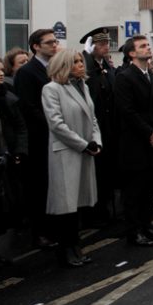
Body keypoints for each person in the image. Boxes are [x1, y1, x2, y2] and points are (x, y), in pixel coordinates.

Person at [40, 49, 101, 267]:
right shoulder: (52, 89)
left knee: (77, 204)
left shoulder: (82, 85)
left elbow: (92, 118)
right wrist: (83, 144)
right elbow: (56, 124)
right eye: (75, 62)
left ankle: (75, 247)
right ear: (64, 65)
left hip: (84, 150)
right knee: (66, 205)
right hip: (66, 152)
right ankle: (66, 250)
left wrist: (96, 141)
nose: (81, 65)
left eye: (81, 61)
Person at [114, 34, 153, 247]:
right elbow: (127, 111)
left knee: (149, 188)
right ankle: (134, 231)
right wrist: (149, 132)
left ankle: (147, 226)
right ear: (132, 53)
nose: (148, 48)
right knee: (134, 190)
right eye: (143, 46)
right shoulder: (125, 77)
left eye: (148, 45)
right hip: (135, 142)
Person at [14, 28, 61, 248]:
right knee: (39, 186)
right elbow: (28, 106)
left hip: (58, 136)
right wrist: (53, 122)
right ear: (36, 46)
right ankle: (40, 232)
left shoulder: (57, 68)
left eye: (55, 41)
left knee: (55, 184)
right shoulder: (27, 72)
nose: (54, 45)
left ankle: (54, 227)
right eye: (49, 42)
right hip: (40, 136)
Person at [0, 55, 26, 267]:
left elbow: (19, 126)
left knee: (3, 209)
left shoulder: (8, 95)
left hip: (8, 156)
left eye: (1, 69)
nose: (1, 73)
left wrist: (19, 150)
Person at [81, 27, 117, 225]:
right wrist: (86, 55)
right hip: (95, 127)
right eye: (101, 44)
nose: (106, 47)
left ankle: (107, 210)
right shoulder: (88, 66)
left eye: (107, 44)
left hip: (109, 126)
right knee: (96, 173)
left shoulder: (106, 66)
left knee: (107, 173)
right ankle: (95, 213)